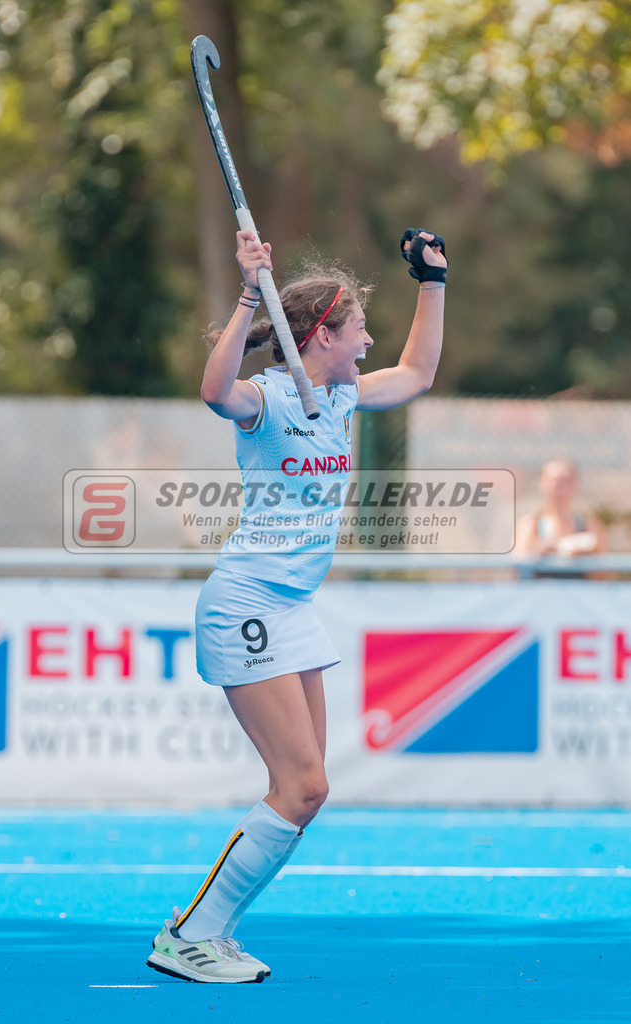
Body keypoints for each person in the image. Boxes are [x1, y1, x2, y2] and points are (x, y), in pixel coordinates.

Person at [146, 227, 447, 983]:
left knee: (306, 793)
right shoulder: (270, 399)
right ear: (321, 336)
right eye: (359, 328)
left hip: (290, 610)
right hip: (246, 602)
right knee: (303, 785)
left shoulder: (342, 396)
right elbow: (215, 393)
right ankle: (190, 936)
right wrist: (251, 289)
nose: (370, 340)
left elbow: (416, 371)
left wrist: (433, 281)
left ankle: (206, 933)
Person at [514, 459, 608, 577]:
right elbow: (517, 569)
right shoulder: (529, 524)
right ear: (542, 484)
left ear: (576, 485)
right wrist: (536, 553)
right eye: (553, 480)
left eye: (565, 481)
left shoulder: (590, 526)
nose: (558, 486)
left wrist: (586, 559)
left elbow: (604, 575)